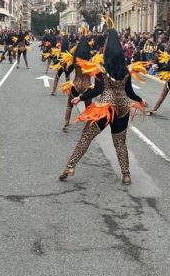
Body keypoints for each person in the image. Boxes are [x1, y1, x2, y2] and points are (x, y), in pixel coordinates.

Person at [58, 23, 146, 185]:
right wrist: (140, 100)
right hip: (123, 109)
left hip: (105, 109)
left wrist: (81, 97)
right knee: (120, 143)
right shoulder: (126, 70)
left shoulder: (102, 69)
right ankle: (126, 175)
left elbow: (98, 90)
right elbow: (129, 92)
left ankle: (70, 167)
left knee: (86, 138)